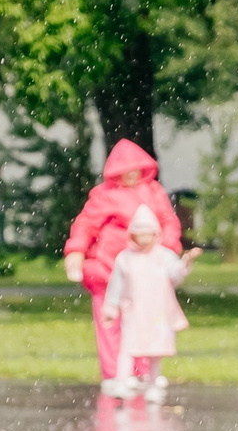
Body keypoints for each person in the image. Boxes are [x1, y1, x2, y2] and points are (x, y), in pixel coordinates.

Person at [63, 139, 184, 396]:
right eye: (125, 170)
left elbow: (168, 221)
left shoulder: (153, 192)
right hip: (108, 268)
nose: (130, 175)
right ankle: (113, 373)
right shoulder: (105, 195)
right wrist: (75, 250)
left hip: (145, 272)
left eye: (135, 170)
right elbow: (86, 224)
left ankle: (143, 372)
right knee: (109, 321)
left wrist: (169, 249)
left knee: (145, 321)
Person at [102, 203, 197, 401]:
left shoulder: (164, 256)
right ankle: (121, 382)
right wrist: (111, 307)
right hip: (134, 311)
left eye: (148, 235)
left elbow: (174, 275)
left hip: (157, 313)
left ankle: (153, 386)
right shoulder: (125, 258)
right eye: (140, 235)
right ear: (132, 235)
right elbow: (116, 285)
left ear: (155, 234)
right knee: (128, 348)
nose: (144, 240)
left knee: (156, 351)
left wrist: (185, 263)